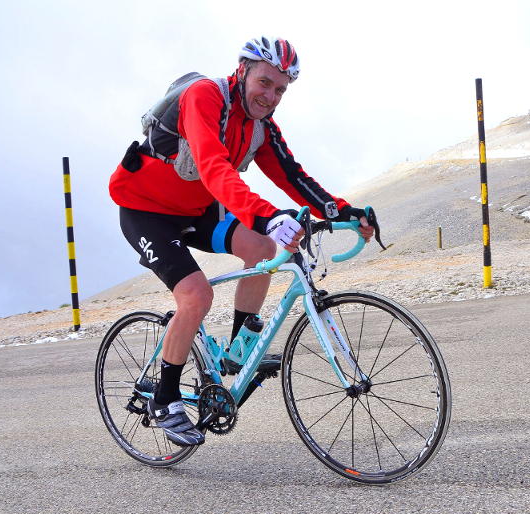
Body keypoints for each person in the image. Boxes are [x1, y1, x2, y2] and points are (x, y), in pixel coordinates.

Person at [109, 36, 374, 447]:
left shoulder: (260, 127)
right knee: (196, 295)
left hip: (197, 209)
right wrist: (266, 216)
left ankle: (239, 351)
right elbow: (214, 168)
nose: (271, 96)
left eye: (280, 89)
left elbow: (292, 175)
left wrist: (343, 211)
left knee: (262, 249)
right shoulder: (204, 97)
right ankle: (164, 398)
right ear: (243, 70)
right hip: (146, 210)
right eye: (265, 82)